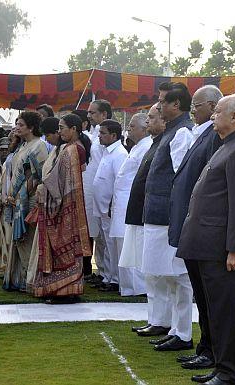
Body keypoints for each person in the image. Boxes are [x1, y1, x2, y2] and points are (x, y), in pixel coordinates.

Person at [177, 94, 235, 385]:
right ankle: (220, 366)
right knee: (213, 310)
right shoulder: (227, 146)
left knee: (226, 313)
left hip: (219, 247)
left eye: (219, 112)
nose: (213, 116)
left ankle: (231, 374)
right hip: (204, 243)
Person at [168, 85, 223, 371]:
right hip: (191, 224)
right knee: (201, 296)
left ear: (214, 106)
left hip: (203, 226)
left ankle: (211, 351)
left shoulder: (214, 136)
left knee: (207, 296)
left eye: (198, 105)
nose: (193, 109)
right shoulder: (201, 134)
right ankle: (205, 347)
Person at [138, 82, 194, 352]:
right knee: (165, 274)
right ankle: (173, 328)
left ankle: (182, 332)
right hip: (159, 214)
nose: (158, 106)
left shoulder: (182, 133)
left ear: (176, 105)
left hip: (169, 216)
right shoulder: (171, 132)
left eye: (162, 101)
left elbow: (181, 180)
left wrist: (177, 217)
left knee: (179, 276)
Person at [27, 113, 92, 299]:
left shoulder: (74, 150)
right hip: (62, 203)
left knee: (68, 247)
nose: (59, 131)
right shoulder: (68, 148)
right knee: (64, 247)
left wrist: (44, 187)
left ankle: (69, 291)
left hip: (67, 205)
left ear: (74, 129)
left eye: (62, 127)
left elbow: (65, 180)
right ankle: (63, 290)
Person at [126, 103, 168, 333]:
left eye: (152, 118)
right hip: (144, 213)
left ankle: (163, 323)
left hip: (158, 216)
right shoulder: (153, 144)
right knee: (151, 273)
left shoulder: (167, 141)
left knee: (161, 275)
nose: (149, 122)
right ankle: (156, 319)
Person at [3, 111, 48, 291]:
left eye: (21, 125)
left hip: (28, 200)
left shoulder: (39, 146)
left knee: (26, 239)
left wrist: (19, 195)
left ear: (31, 127)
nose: (17, 127)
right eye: (17, 124)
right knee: (20, 241)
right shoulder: (23, 146)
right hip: (17, 200)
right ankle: (22, 278)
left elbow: (39, 175)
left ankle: (31, 281)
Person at [113, 113, 152, 296]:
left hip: (133, 203)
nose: (128, 130)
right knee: (124, 246)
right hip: (123, 204)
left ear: (144, 128)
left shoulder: (147, 147)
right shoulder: (138, 147)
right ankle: (129, 286)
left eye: (132, 127)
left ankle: (139, 288)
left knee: (134, 246)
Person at [93, 119, 129, 292]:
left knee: (112, 245)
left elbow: (119, 183)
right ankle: (107, 275)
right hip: (102, 208)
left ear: (113, 135)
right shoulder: (107, 152)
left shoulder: (120, 153)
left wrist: (111, 205)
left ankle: (114, 279)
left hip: (109, 209)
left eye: (103, 133)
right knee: (106, 244)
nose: (99, 136)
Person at [85, 100, 113, 288]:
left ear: (104, 114)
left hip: (105, 193)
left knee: (107, 236)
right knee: (98, 235)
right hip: (93, 191)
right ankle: (102, 272)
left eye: (93, 113)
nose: (89, 116)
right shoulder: (95, 135)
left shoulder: (109, 136)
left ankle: (110, 276)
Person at [0, 132, 21, 278]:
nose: (4, 151)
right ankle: (2, 268)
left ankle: (10, 269)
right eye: (1, 149)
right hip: (2, 203)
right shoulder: (7, 159)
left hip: (12, 203)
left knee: (10, 237)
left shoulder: (18, 156)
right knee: (1, 236)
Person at [72, 109, 95, 277]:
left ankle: (85, 268)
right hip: (79, 190)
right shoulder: (74, 144)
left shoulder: (84, 143)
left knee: (84, 231)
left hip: (83, 189)